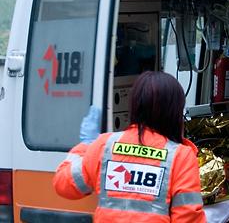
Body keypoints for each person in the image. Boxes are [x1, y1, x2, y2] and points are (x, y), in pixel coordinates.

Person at [53, 71, 206, 222]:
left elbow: (64, 185)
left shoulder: (104, 145)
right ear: (174, 111)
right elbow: (188, 218)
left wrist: (86, 145)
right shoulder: (180, 156)